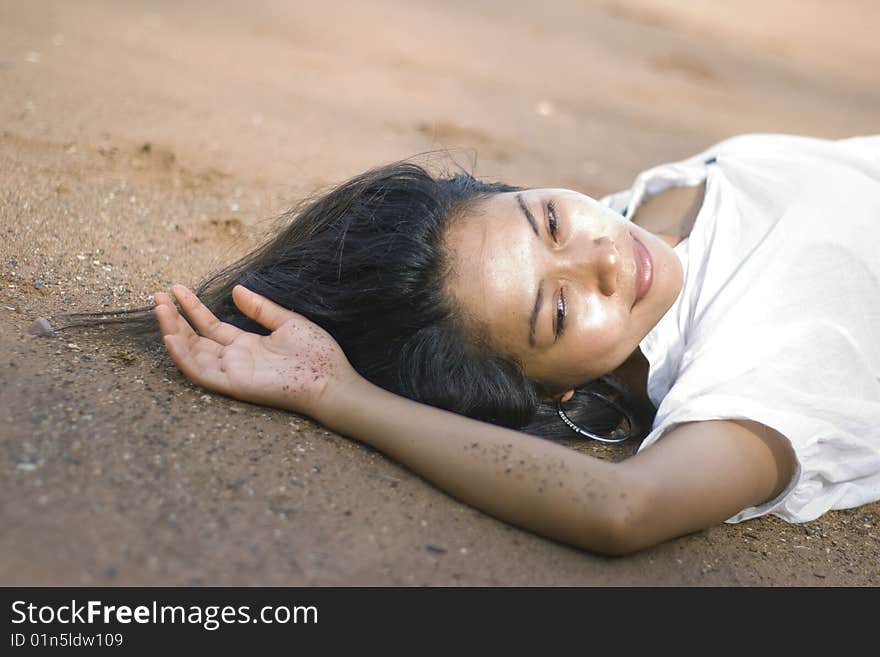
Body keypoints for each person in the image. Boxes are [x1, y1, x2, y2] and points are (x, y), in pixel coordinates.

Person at [141, 134, 880, 554]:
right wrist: (339, 394)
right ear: (553, 388)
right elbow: (624, 506)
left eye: (550, 221)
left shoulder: (659, 206)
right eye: (557, 312)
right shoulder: (758, 354)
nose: (607, 258)